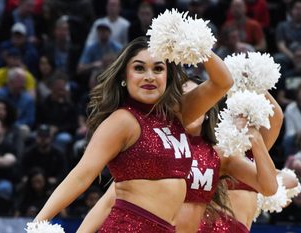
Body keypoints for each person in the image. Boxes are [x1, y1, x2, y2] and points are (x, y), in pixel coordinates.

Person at [34, 36, 234, 232]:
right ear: (124, 76)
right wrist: (39, 223)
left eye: (158, 68)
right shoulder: (123, 121)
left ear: (168, 76)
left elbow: (223, 82)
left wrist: (193, 43)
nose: (149, 76)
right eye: (139, 68)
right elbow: (81, 175)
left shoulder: (177, 115)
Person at [75, 76, 281, 233]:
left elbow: (269, 187)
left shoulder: (219, 153)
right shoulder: (155, 147)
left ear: (208, 108)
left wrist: (254, 137)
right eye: (183, 100)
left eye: (197, 100)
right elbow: (109, 201)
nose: (191, 106)